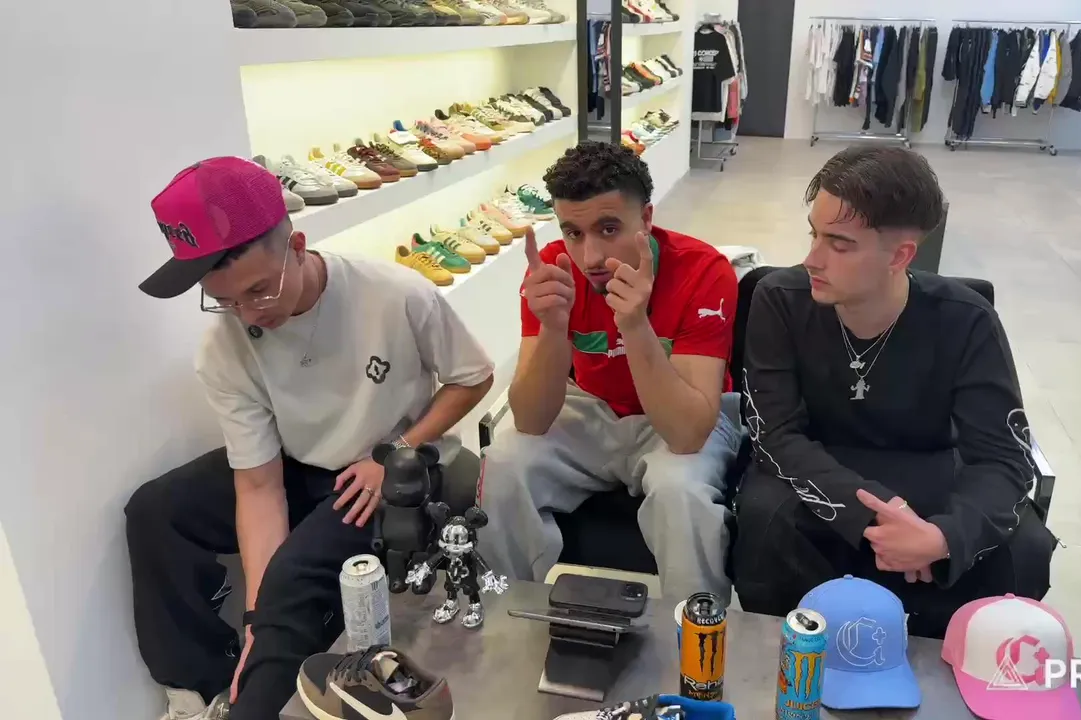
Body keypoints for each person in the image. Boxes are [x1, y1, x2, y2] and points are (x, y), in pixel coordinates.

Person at [125, 157, 494, 720]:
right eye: (225, 300)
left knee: (293, 580)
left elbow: (474, 376)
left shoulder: (393, 294)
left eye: (258, 290)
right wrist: (256, 619)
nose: (249, 313)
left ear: (297, 246)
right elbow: (258, 487)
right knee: (156, 510)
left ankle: (258, 702)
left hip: (393, 469)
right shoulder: (223, 347)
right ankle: (201, 688)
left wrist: (399, 449)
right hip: (302, 463)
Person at [731, 146, 1057, 637]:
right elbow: (774, 435)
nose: (812, 259)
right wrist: (875, 513)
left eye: (839, 244)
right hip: (817, 464)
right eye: (814, 234)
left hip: (929, 467)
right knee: (765, 517)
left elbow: (1002, 457)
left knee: (1024, 547)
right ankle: (796, 653)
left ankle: (949, 659)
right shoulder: (780, 299)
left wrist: (943, 537)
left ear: (901, 255)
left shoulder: (966, 319)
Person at [478, 142, 742, 603]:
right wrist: (553, 327)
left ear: (647, 218)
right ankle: (501, 615)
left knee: (680, 492)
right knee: (503, 463)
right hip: (591, 407)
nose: (591, 257)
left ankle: (695, 637)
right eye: (573, 233)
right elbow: (531, 421)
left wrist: (635, 326)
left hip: (684, 413)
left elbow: (687, 435)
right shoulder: (553, 271)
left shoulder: (703, 271)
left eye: (609, 228)